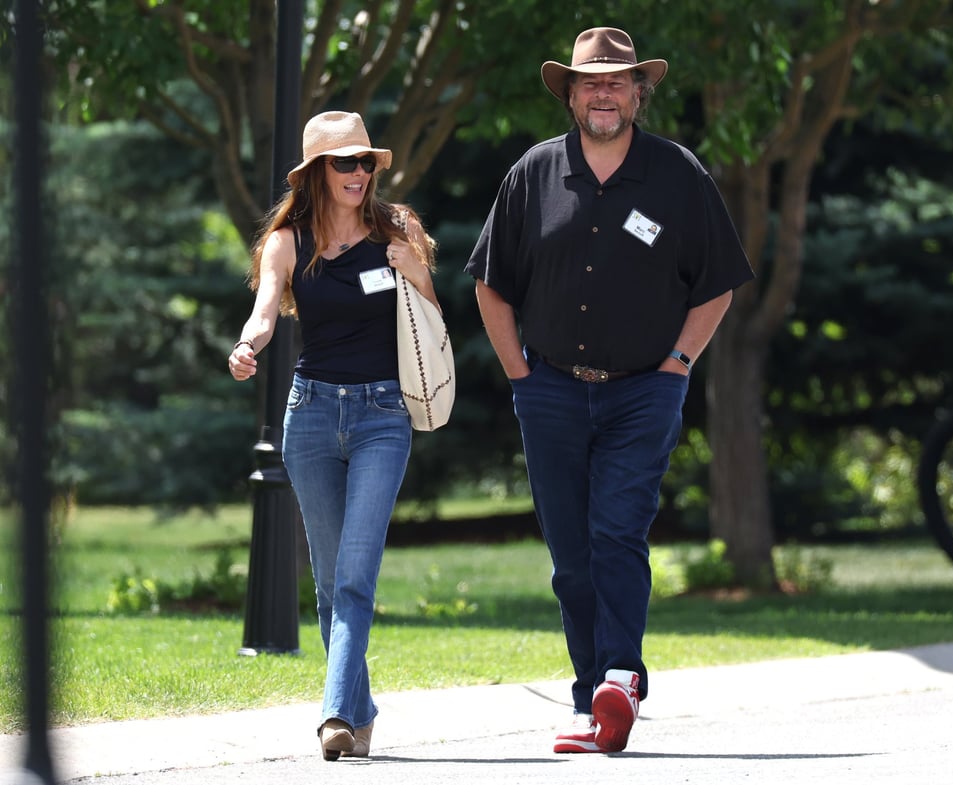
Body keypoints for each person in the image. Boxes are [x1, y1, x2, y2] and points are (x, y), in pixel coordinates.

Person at [465, 27, 754, 754]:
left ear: (637, 93)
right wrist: (521, 378)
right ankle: (588, 695)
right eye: (590, 82)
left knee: (617, 530)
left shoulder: (677, 175)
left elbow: (717, 281)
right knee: (570, 553)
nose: (603, 93)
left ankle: (618, 675)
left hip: (643, 391)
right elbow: (492, 285)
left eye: (617, 81)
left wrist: (679, 363)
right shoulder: (532, 175)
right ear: (570, 93)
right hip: (551, 390)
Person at [227, 111, 439, 761]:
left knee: (354, 574)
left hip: (383, 417)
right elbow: (266, 309)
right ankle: (363, 710)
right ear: (317, 171)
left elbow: (432, 321)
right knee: (328, 579)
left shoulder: (396, 230)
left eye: (365, 161)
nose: (358, 173)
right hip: (312, 416)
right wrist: (246, 344)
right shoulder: (288, 241)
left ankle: (336, 714)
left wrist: (415, 269)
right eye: (344, 162)